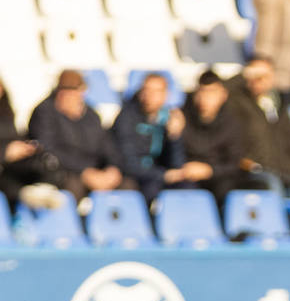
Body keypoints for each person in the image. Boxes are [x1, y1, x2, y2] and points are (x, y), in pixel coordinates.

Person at [28, 68, 134, 202]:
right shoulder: (44, 113)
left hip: (94, 172)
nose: (71, 96)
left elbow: (108, 146)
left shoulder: (92, 116)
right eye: (65, 91)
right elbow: (47, 150)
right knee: (72, 187)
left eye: (75, 91)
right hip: (64, 173)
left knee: (128, 186)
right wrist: (84, 172)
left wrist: (113, 169)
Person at [0, 67, 62, 210]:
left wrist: (26, 148)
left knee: (45, 164)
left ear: (0, 89)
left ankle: (43, 192)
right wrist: (5, 152)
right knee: (8, 185)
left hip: (11, 168)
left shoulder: (6, 114)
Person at [178, 69, 258, 223]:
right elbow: (172, 158)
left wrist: (210, 170)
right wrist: (174, 137)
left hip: (221, 177)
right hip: (188, 175)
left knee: (237, 188)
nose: (205, 99)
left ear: (223, 95)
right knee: (182, 189)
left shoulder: (233, 122)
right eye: (202, 92)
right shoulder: (182, 118)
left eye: (211, 93)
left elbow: (235, 162)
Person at [223, 56, 290, 193]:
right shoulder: (237, 103)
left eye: (264, 76)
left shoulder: (279, 104)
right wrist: (243, 75)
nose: (260, 81)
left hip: (286, 172)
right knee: (271, 184)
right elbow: (217, 91)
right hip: (255, 173)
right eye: (256, 76)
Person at [111, 71, 186, 203]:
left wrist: (175, 136)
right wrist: (162, 175)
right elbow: (127, 162)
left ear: (166, 95)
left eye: (156, 91)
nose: (149, 96)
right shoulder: (126, 118)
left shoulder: (169, 118)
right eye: (146, 90)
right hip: (135, 177)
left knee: (187, 188)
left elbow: (176, 164)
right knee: (138, 189)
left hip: (157, 175)